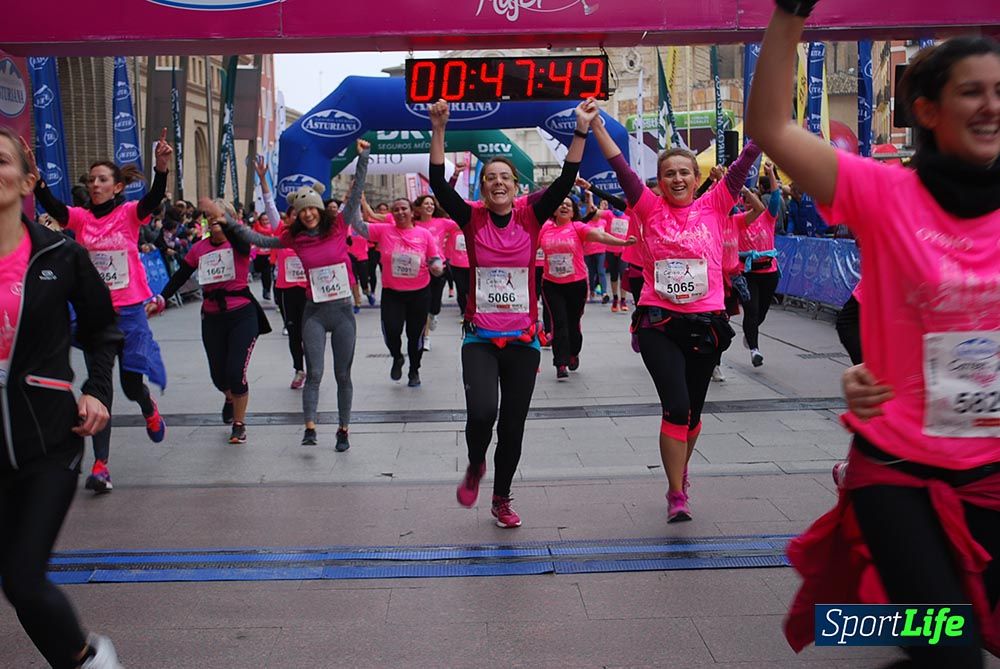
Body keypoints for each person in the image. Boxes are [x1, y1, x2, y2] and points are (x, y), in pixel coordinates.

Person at [748, 5, 1000, 664]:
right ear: (927, 109)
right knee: (951, 649)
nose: (991, 106)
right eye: (972, 91)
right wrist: (789, 13)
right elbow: (770, 127)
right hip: (898, 473)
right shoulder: (885, 192)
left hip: (994, 474)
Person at [430, 97, 628, 527]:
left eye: (505, 177)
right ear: (483, 187)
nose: (498, 183)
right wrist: (440, 129)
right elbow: (438, 183)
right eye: (490, 178)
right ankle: (475, 462)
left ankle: (501, 498)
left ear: (516, 185)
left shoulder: (533, 215)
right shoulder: (471, 218)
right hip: (479, 338)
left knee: (513, 426)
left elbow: (566, 179)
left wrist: (579, 130)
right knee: (482, 413)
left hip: (523, 340)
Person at [592, 107, 761, 523]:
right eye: (670, 173)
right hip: (659, 322)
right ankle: (675, 494)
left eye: (685, 172)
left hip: (707, 324)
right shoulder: (648, 207)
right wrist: (596, 126)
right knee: (676, 406)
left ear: (696, 177)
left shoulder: (716, 203)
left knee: (695, 414)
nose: (678, 179)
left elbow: (742, 166)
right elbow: (621, 168)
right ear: (660, 180)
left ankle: (681, 472)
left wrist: (761, 136)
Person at [0, 127, 125, 668]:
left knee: (24, 580)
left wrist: (97, 391)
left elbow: (102, 329)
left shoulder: (60, 254)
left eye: (1, 161)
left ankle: (87, 662)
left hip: (47, 438)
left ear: (28, 180)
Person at [29, 131, 171, 494]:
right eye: (91, 180)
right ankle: (101, 466)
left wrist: (161, 168)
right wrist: (37, 177)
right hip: (98, 315)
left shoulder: (128, 214)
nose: (95, 184)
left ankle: (148, 408)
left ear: (118, 187)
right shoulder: (80, 219)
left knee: (130, 382)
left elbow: (153, 198)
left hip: (130, 312)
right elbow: (55, 209)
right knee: (99, 389)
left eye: (102, 179)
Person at [230, 144, 369, 449]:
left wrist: (363, 156)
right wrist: (228, 221)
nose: (307, 213)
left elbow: (357, 190)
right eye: (302, 209)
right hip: (314, 313)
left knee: (343, 374)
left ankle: (343, 429)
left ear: (320, 209)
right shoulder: (294, 238)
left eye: (312, 208)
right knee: (315, 373)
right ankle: (310, 427)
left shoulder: (338, 226)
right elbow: (258, 237)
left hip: (343, 312)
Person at [150, 197, 271, 445]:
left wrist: (223, 215)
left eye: (220, 218)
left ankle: (239, 423)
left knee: (236, 372)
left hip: (242, 314)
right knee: (218, 376)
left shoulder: (240, 244)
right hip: (212, 316)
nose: (215, 222)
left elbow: (239, 237)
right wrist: (160, 299)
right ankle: (229, 397)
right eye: (211, 218)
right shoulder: (199, 249)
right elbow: (179, 277)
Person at [352, 194, 444, 387]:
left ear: (412, 212)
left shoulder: (423, 234)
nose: (400, 212)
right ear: (392, 214)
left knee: (414, 335)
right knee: (391, 332)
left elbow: (434, 257)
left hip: (419, 293)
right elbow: (358, 225)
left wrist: (437, 267)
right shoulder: (384, 230)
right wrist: (354, 198)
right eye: (396, 209)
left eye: (404, 208)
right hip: (392, 293)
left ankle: (414, 370)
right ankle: (397, 357)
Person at [540, 196, 633, 379]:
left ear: (574, 212)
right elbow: (527, 247)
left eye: (568, 205)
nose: (564, 207)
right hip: (552, 284)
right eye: (561, 204)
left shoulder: (578, 227)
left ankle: (573, 352)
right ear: (554, 210)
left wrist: (622, 243)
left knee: (573, 323)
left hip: (576, 284)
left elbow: (601, 236)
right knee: (559, 323)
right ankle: (560, 363)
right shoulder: (545, 229)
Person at [414, 194, 459, 351]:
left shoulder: (442, 223)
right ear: (418, 208)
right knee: (423, 305)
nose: (429, 206)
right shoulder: (412, 224)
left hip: (438, 267)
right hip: (419, 268)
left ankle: (434, 314)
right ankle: (425, 337)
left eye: (432, 204)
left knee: (434, 306)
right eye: (426, 204)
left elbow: (463, 223)